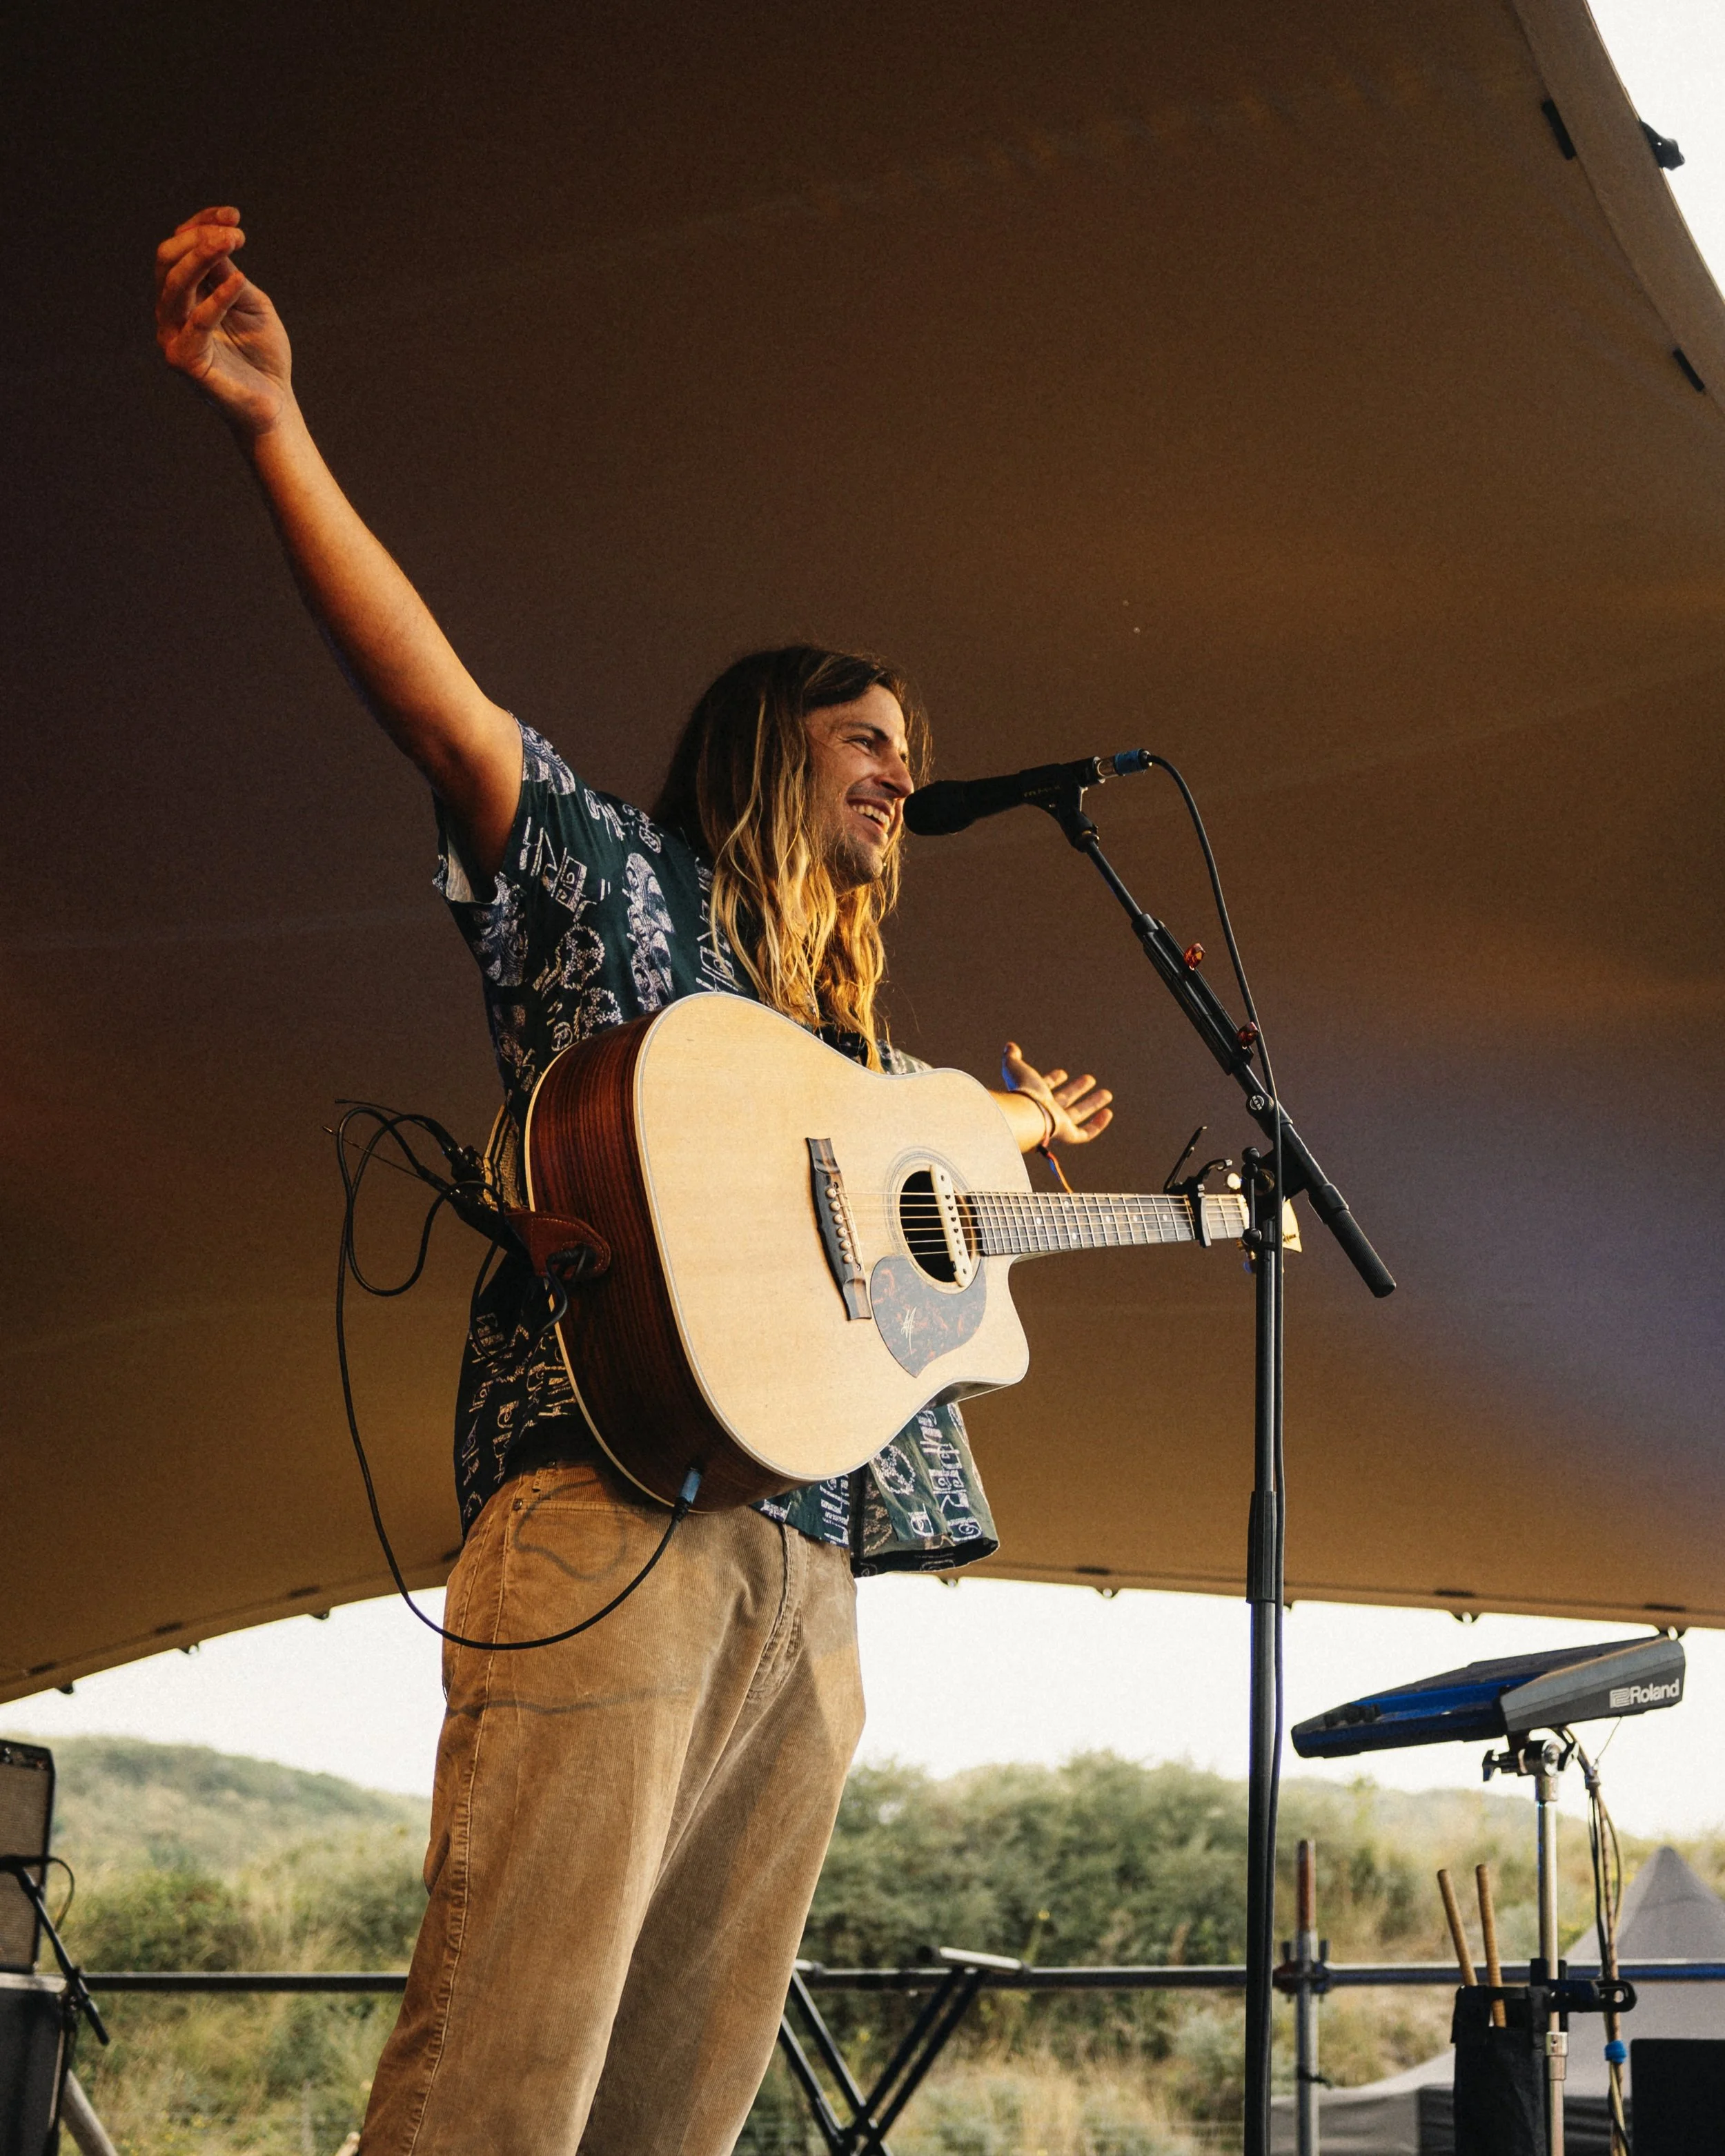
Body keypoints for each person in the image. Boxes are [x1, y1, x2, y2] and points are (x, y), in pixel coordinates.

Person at [154, 205, 1115, 2155]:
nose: (897, 777)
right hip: (612, 1509)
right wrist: (275, 428)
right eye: (867, 739)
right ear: (772, 742)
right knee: (503, 2076)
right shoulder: (615, 884)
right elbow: (432, 703)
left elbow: (913, 1215)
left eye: (911, 755)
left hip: (812, 1568)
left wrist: (1012, 1142)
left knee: (675, 2109)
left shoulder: (852, 1058)